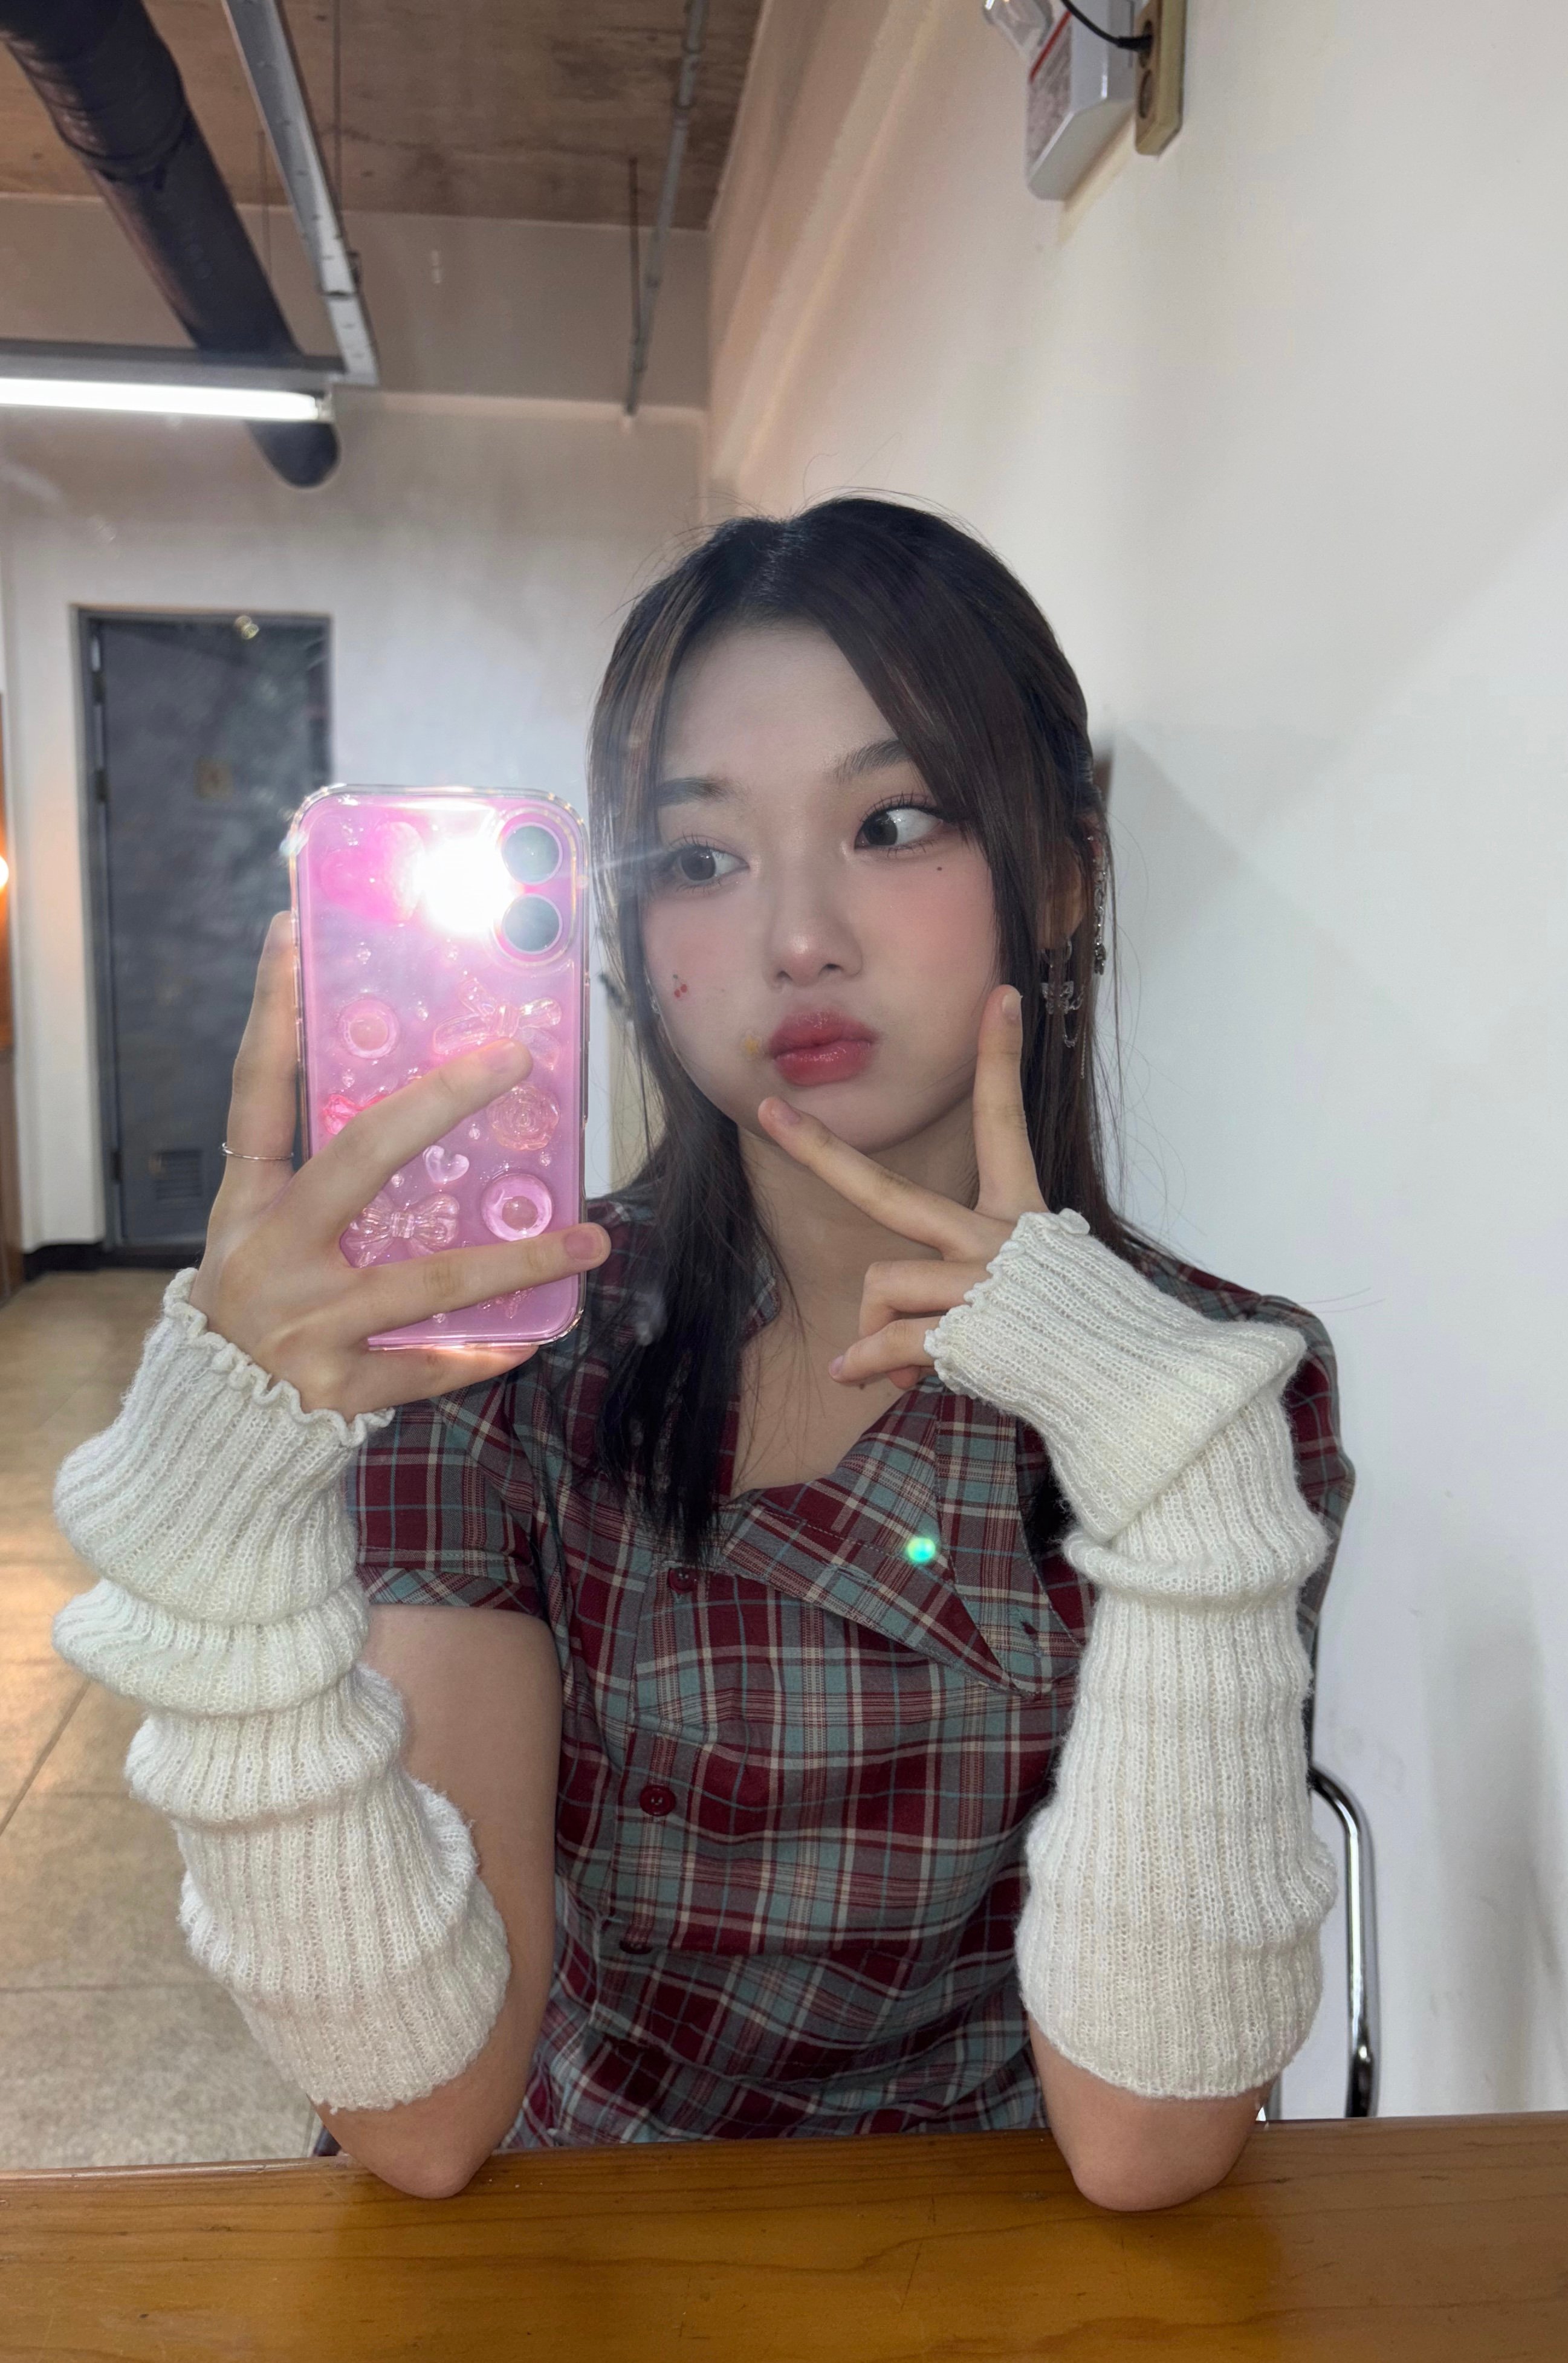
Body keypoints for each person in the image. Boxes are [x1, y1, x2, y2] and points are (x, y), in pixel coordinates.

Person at [52, 498, 1353, 2211]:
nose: (796, 935)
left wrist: (1184, 1496)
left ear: (1061, 874)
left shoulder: (1211, 1387)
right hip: (584, 2237)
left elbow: (1145, 2144)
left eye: (893, 822)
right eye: (697, 858)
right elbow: (427, 2116)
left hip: (996, 2257)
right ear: (627, 932)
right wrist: (224, 1577)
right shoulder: (498, 1352)